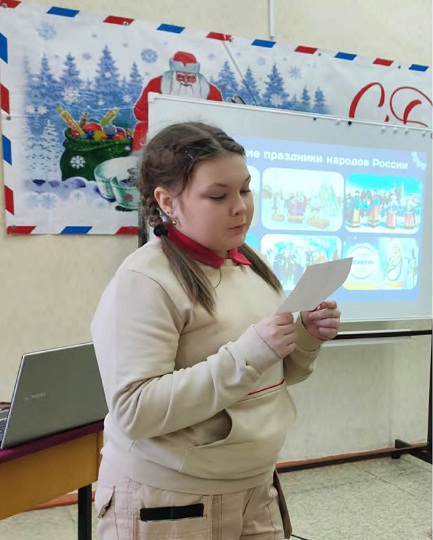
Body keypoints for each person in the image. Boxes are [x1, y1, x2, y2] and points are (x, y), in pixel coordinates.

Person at [91, 121, 340, 539]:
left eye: (245, 189)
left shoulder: (249, 263)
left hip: (254, 485)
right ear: (167, 201)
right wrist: (250, 353)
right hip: (170, 499)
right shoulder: (144, 281)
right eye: (218, 196)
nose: (240, 207)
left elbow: (275, 376)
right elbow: (134, 411)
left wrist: (305, 338)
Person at [132, 51, 224, 150]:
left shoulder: (210, 90)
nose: (185, 82)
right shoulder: (156, 84)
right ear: (173, 75)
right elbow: (139, 112)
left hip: (199, 132)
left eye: (190, 78)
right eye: (180, 77)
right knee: (143, 129)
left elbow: (220, 117)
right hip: (163, 129)